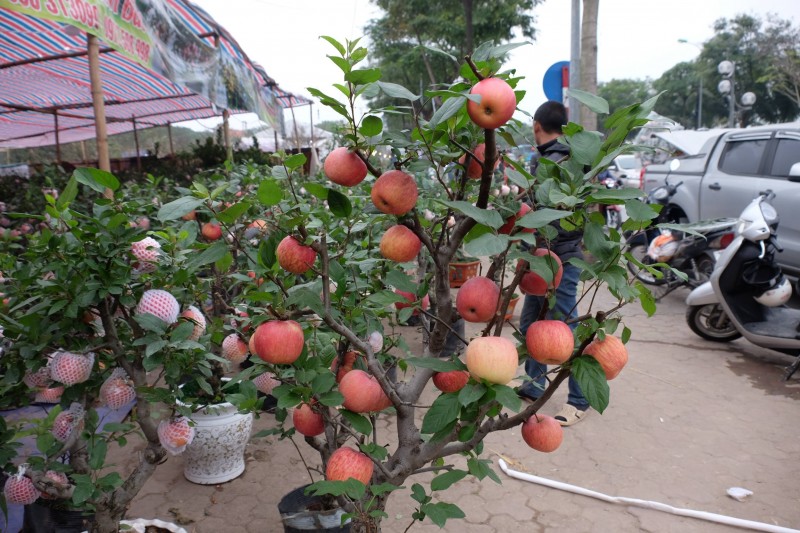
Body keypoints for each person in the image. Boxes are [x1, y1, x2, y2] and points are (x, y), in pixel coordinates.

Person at [517, 100, 590, 426]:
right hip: (542, 257)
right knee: (531, 322)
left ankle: (579, 399)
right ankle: (533, 385)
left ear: (536, 126)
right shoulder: (554, 159)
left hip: (559, 257)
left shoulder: (562, 161)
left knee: (564, 328)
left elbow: (550, 215)